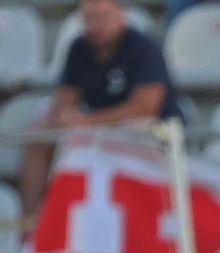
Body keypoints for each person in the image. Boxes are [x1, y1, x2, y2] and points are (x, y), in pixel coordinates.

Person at [20, 0, 182, 215]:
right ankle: (34, 221)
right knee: (39, 135)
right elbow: (65, 99)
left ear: (121, 16)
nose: (96, 26)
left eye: (102, 18)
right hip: (97, 128)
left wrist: (87, 122)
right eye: (89, 19)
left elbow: (144, 108)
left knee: (129, 129)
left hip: (148, 130)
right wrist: (65, 115)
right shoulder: (79, 48)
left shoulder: (144, 47)